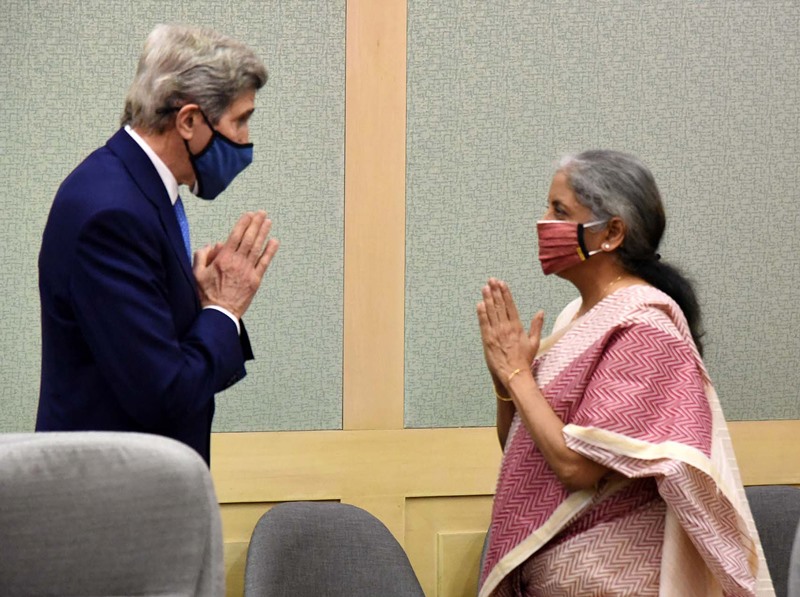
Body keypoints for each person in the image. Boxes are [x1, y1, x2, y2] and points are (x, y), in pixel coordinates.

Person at [476, 150, 771, 596]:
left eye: (559, 210)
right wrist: (507, 383)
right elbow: (530, 456)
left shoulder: (643, 326)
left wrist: (518, 373)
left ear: (612, 232)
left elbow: (576, 467)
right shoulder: (575, 316)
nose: (544, 223)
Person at [36, 24, 279, 465]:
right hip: (113, 503)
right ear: (188, 121)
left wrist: (196, 304)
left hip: (137, 489)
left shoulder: (134, 188)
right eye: (240, 120)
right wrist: (224, 309)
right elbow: (163, 393)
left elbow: (148, 355)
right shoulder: (112, 213)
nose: (245, 140)